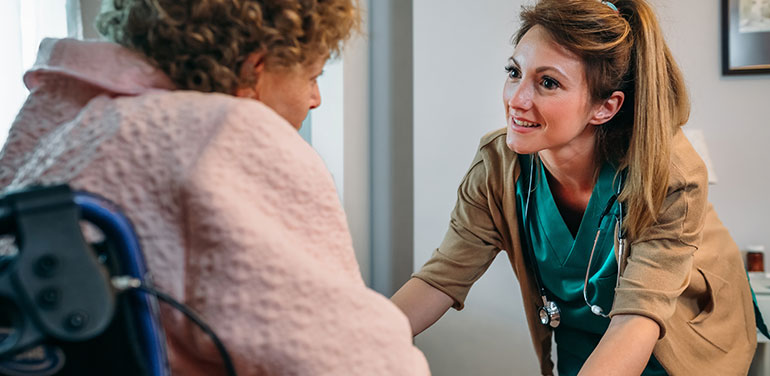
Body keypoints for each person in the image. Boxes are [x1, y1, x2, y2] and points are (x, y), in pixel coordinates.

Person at [0, 0, 429, 375]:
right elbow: (352, 357)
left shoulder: (57, 120)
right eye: (312, 76)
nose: (315, 98)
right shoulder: (228, 135)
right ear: (254, 68)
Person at [391, 0, 761, 375]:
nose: (516, 100)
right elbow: (441, 278)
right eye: (514, 72)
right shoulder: (498, 165)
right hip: (584, 339)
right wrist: (353, 341)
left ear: (605, 107)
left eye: (548, 82)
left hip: (683, 341)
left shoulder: (667, 173)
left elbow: (640, 316)